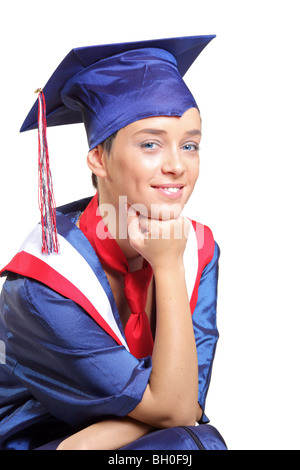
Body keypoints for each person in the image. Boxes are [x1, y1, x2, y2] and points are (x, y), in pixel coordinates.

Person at [0, 36, 227, 450]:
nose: (177, 165)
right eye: (150, 144)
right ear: (98, 159)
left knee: (195, 445)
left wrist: (168, 265)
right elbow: (178, 414)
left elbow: (186, 403)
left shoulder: (195, 250)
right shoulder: (41, 283)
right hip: (35, 441)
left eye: (190, 145)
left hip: (107, 443)